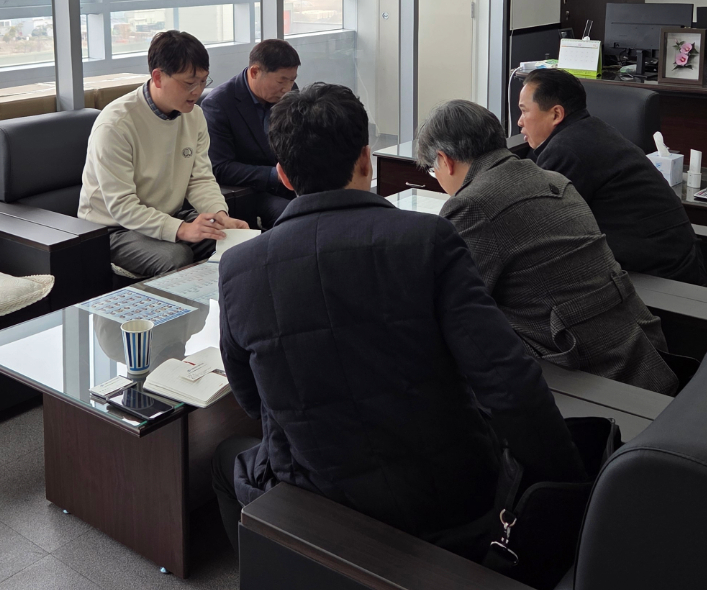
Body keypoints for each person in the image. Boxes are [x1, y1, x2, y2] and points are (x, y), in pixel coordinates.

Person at [213, 83, 587, 566]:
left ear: (283, 175)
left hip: (319, 493)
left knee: (228, 460)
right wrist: (569, 483)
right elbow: (506, 379)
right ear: (365, 160)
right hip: (451, 497)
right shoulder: (429, 239)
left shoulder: (239, 268)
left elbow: (252, 399)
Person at [415, 100, 677, 395]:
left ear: (445, 160)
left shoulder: (472, 205)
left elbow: (444, 306)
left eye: (432, 170)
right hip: (642, 353)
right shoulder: (555, 180)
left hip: (586, 375)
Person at [517, 68, 707, 287]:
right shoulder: (592, 130)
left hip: (660, 281)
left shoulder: (566, 150)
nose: (519, 122)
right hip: (676, 263)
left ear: (556, 114)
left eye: (524, 111)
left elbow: (538, 229)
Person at [78, 30, 248, 278]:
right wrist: (181, 229)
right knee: (176, 257)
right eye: (189, 83)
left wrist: (221, 216)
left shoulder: (194, 116)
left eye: (203, 81)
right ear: (158, 77)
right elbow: (122, 206)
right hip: (114, 228)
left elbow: (200, 179)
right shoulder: (116, 125)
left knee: (236, 241)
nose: (197, 91)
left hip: (168, 215)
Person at [203, 39, 300, 228]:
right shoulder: (219, 104)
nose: (288, 88)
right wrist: (275, 174)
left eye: (292, 80)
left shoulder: (288, 92)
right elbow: (220, 168)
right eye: (281, 81)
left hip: (293, 183)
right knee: (293, 217)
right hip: (252, 191)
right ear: (254, 72)